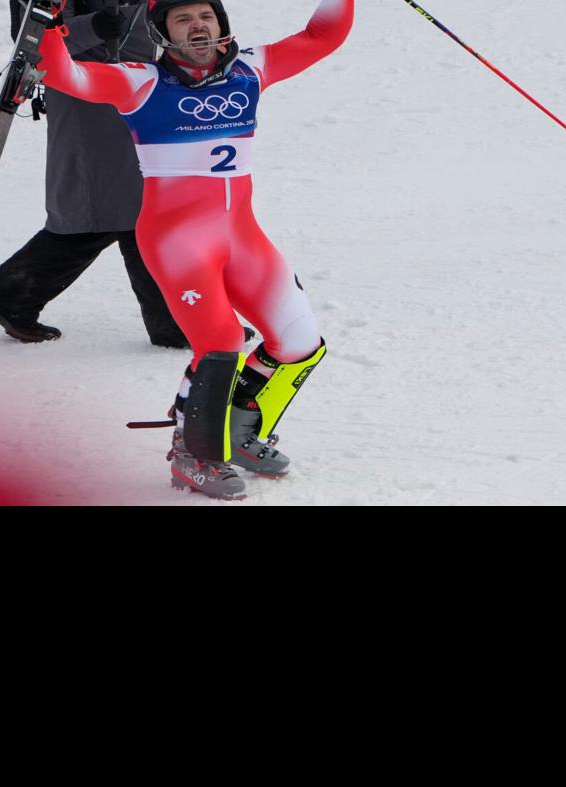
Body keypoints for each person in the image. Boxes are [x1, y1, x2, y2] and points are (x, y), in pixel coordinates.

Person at [36, 0, 354, 498]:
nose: (198, 25)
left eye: (205, 15)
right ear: (164, 34)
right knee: (222, 341)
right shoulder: (140, 81)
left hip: (242, 236)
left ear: (221, 24)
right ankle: (192, 453)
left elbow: (321, 37)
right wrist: (51, 27)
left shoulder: (251, 68)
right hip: (176, 241)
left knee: (298, 340)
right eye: (183, 19)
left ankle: (241, 428)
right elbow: (67, 77)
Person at [0, 1, 247, 348]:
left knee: (139, 216)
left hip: (142, 93)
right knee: (99, 217)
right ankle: (8, 297)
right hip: (89, 98)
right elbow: (33, 43)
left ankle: (175, 323)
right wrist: (95, 26)